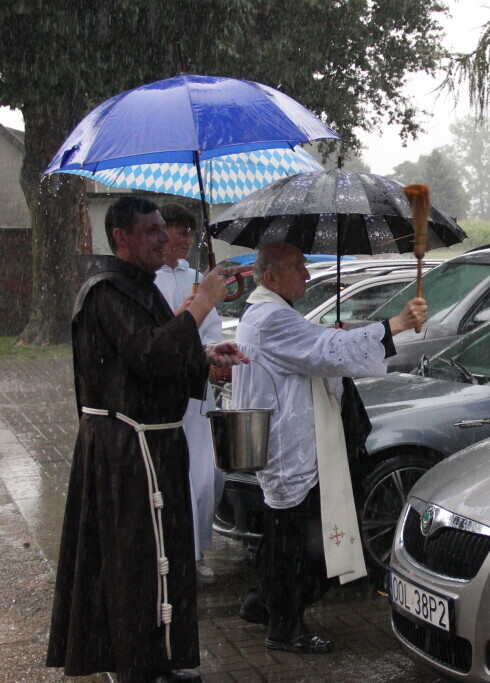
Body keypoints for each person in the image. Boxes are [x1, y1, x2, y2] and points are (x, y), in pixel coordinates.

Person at [47, 196, 246, 683]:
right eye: (153, 230)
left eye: (164, 229)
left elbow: (159, 352)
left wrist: (202, 354)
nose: (164, 238)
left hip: (154, 446)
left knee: (166, 558)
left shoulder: (142, 288)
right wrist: (202, 303)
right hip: (126, 452)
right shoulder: (105, 293)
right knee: (134, 562)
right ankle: (134, 666)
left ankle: (158, 660)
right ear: (121, 238)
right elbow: (149, 356)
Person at [231, 243, 426, 655]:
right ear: (271, 278)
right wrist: (396, 324)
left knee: (279, 533)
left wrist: (328, 337)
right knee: (296, 547)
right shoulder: (271, 318)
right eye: (298, 268)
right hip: (292, 447)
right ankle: (285, 627)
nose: (306, 274)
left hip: (286, 440)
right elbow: (324, 353)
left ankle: (261, 604)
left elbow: (312, 348)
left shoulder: (268, 311)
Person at [154, 202, 223, 585]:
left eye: (191, 232)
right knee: (176, 475)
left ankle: (195, 551)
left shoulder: (197, 277)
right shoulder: (148, 282)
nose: (187, 239)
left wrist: (212, 349)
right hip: (168, 390)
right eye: (180, 231)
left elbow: (210, 329)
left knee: (207, 475)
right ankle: (176, 554)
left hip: (198, 390)